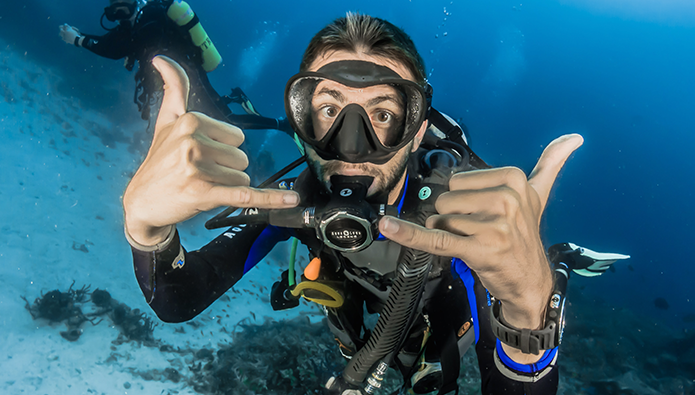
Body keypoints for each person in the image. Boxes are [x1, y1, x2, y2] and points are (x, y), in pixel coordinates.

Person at [122, 12, 626, 395]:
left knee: (527, 274)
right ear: (301, 123)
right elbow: (176, 296)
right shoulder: (297, 198)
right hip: (366, 334)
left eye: (383, 114)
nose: (353, 146)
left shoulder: (461, 220)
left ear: (418, 129)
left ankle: (553, 264)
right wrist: (146, 228)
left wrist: (527, 309)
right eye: (328, 109)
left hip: (442, 337)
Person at [59, 0, 286, 132]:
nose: (119, 18)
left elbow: (115, 49)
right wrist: (81, 36)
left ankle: (281, 125)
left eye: (123, 11)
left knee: (227, 122)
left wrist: (79, 41)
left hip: (190, 77)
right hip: (179, 81)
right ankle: (233, 98)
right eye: (114, 14)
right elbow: (114, 42)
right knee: (198, 115)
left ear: (134, 4)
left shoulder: (149, 18)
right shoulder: (139, 20)